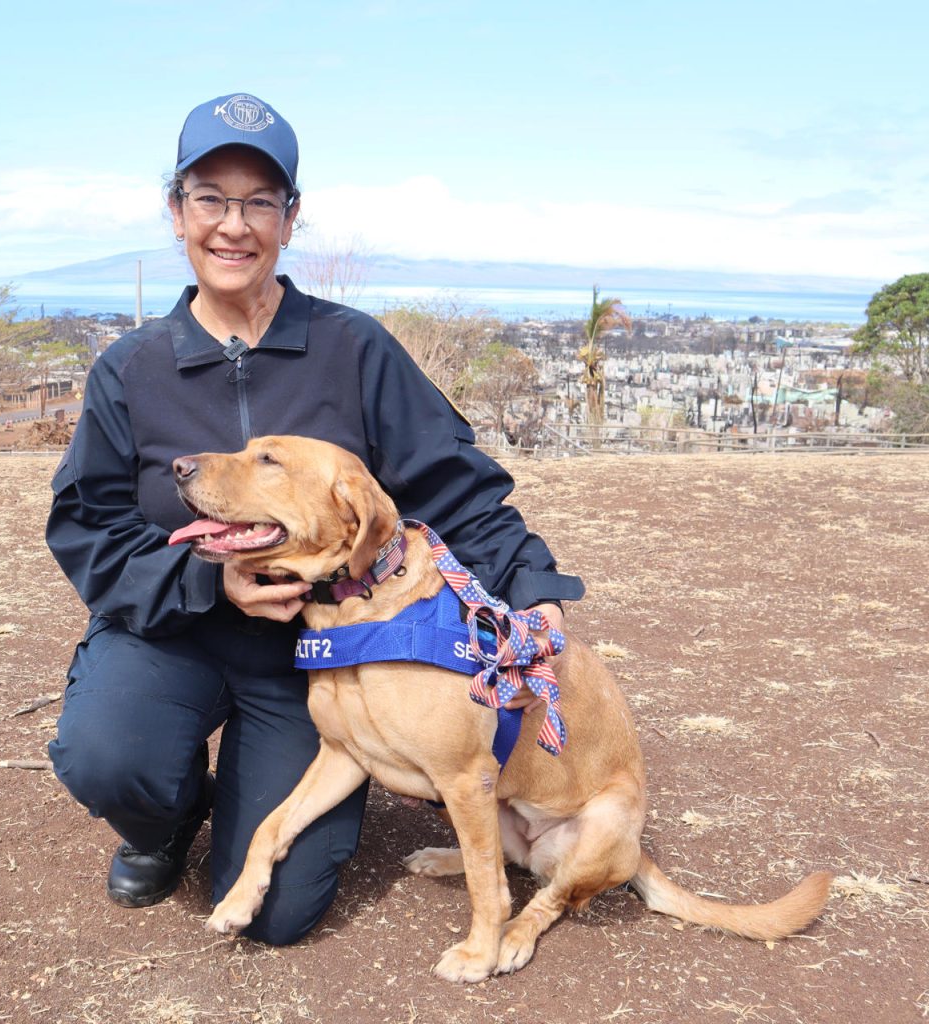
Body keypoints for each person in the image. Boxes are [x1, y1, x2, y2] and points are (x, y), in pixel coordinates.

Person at [46, 92, 584, 946]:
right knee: (111, 754)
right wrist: (206, 581)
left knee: (284, 915)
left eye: (260, 201)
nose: (234, 224)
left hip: (318, 659)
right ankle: (163, 824)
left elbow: (454, 488)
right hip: (171, 631)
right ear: (176, 211)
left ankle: (247, 813)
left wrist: (534, 592)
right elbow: (88, 530)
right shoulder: (129, 369)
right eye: (210, 198)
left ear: (290, 219)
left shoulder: (355, 347)